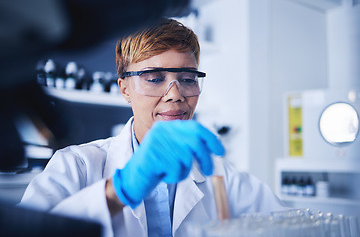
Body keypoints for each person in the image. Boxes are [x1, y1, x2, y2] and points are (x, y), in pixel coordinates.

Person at [19, 18, 288, 237]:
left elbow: (291, 226)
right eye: (155, 78)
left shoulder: (221, 177)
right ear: (124, 88)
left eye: (187, 79)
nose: (175, 94)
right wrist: (117, 192)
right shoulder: (76, 166)